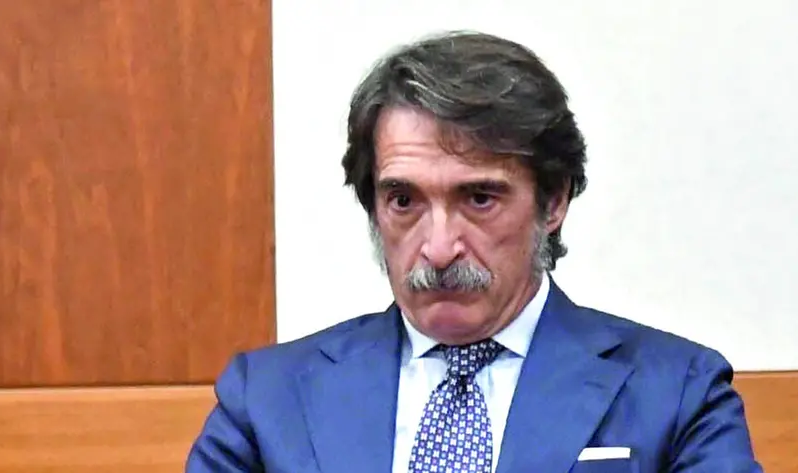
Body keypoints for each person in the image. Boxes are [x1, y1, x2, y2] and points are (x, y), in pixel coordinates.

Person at [185, 31, 763, 473]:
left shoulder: (677, 393)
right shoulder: (267, 401)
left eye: (479, 198)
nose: (438, 249)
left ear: (554, 201)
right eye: (404, 200)